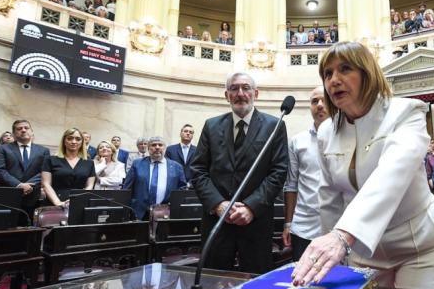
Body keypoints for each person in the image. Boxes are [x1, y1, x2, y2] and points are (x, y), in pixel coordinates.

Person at [291, 42, 434, 289]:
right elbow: (329, 197)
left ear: (367, 74)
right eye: (328, 73)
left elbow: (392, 174)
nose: (334, 80)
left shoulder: (407, 111)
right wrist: (330, 250)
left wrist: (340, 237)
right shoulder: (326, 131)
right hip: (363, 252)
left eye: (345, 69)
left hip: (421, 247)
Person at [191, 72, 288, 273]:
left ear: (256, 93)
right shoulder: (211, 125)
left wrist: (251, 207)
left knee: (255, 284)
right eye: (234, 89)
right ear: (227, 95)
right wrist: (218, 205)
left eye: (246, 88)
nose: (240, 93)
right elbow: (198, 170)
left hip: (256, 221)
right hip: (217, 221)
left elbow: (278, 172)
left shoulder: (275, 125)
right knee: (212, 280)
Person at [283, 86, 330, 261]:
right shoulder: (297, 141)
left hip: (335, 226)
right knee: (301, 281)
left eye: (324, 100)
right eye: (314, 101)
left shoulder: (346, 136)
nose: (319, 105)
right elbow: (291, 184)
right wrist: (288, 223)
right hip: (303, 226)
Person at [0, 119, 51, 215]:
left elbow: (45, 172)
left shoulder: (43, 150)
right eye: (19, 128)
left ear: (31, 131)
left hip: (33, 197)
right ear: (14, 134)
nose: (23, 130)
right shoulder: (2, 149)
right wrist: (19, 185)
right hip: (9, 195)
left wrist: (28, 185)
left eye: (26, 128)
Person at [123, 136, 187, 220]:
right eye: (153, 145)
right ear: (148, 148)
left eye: (160, 145)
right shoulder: (137, 164)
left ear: (165, 148)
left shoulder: (176, 167)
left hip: (166, 213)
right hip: (139, 213)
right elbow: (127, 188)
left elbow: (182, 189)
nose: (157, 147)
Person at [41, 128, 96, 207]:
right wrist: (58, 202)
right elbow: (46, 184)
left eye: (78, 139)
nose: (74, 142)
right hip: (54, 202)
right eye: (70, 138)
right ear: (64, 141)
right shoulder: (50, 159)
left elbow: (89, 186)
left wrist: (78, 200)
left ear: (82, 142)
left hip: (80, 203)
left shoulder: (89, 162)